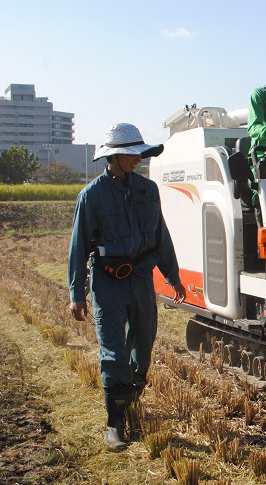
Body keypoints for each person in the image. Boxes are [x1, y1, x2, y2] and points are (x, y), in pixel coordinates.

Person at [67, 123, 186, 450]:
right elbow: (78, 246)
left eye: (139, 154)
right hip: (107, 283)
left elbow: (160, 235)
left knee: (143, 347)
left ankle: (130, 394)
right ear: (114, 157)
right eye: (132, 155)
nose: (138, 160)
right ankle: (115, 423)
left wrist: (173, 275)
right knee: (112, 352)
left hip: (141, 281)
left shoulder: (149, 190)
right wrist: (77, 294)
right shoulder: (91, 196)